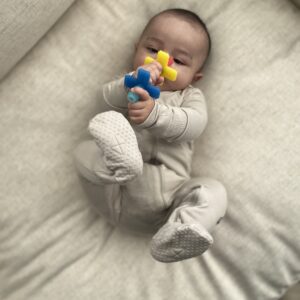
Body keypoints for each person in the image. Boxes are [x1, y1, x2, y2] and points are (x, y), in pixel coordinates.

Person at [74, 8, 228, 263]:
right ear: (137, 50)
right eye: (154, 50)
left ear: (195, 77)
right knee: (84, 150)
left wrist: (155, 115)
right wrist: (126, 87)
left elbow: (194, 125)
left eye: (178, 61)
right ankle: (122, 161)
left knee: (214, 191)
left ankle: (183, 229)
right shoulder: (127, 84)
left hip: (168, 203)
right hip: (114, 187)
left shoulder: (188, 97)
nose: (163, 62)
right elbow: (101, 103)